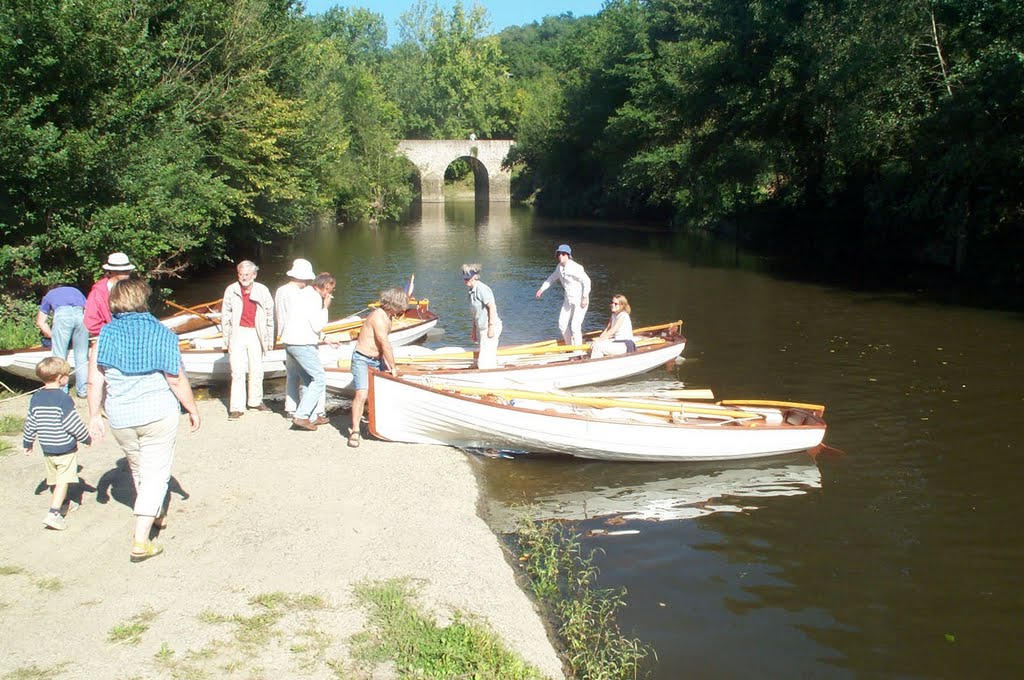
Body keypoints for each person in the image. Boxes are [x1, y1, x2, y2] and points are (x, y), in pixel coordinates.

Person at [87, 277, 201, 563]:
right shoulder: (161, 333)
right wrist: (192, 409)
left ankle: (157, 513)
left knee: (140, 468)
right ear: (143, 299)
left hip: (121, 416)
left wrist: (93, 415)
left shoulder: (104, 337)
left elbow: (93, 382)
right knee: (156, 472)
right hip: (157, 413)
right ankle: (141, 540)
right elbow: (175, 379)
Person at [22, 357, 92, 530]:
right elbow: (72, 423)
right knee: (63, 480)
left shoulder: (36, 398)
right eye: (67, 374)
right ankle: (53, 513)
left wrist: (28, 442)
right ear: (61, 377)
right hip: (64, 448)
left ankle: (63, 503)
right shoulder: (63, 399)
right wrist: (86, 438)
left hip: (47, 448)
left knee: (54, 479)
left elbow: (31, 422)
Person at [348, 287, 408, 448]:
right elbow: (384, 344)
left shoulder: (389, 317)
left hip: (376, 359)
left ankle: (376, 421)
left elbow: (382, 348)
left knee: (381, 392)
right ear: (393, 304)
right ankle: (355, 431)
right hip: (362, 358)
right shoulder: (379, 317)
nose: (403, 309)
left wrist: (386, 363)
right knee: (362, 393)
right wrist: (394, 368)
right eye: (401, 306)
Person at [276, 262, 330, 431]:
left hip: (288, 340)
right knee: (319, 378)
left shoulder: (292, 292)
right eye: (330, 289)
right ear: (324, 287)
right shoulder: (312, 297)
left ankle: (308, 415)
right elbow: (317, 325)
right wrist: (326, 308)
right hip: (302, 343)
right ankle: (302, 415)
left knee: (304, 378)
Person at [221, 260, 275, 420]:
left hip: (256, 333)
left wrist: (269, 339)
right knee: (237, 371)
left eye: (247, 274)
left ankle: (255, 401)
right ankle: (236, 407)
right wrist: (226, 339)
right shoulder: (231, 290)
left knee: (257, 369)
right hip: (238, 333)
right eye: (241, 274)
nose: (243, 277)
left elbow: (269, 315)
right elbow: (225, 315)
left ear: (254, 275)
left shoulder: (262, 290)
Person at [35, 285, 89, 398]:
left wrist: (52, 336)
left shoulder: (50, 294)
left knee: (59, 357)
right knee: (82, 356)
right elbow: (89, 310)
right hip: (82, 317)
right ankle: (83, 391)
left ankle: (61, 390)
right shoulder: (77, 291)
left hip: (63, 316)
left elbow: (41, 322)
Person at [535, 243, 591, 346]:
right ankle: (569, 347)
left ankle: (578, 353)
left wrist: (585, 297)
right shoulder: (559, 267)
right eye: (559, 254)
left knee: (575, 326)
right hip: (568, 300)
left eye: (563, 253)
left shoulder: (576, 267)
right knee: (562, 324)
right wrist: (541, 289)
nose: (561, 256)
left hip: (580, 300)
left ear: (568, 255)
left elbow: (586, 281)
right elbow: (552, 278)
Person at [84, 252, 136, 335]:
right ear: (112, 271)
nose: (127, 274)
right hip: (113, 339)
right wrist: (112, 332)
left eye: (128, 270)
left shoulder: (132, 289)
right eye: (123, 271)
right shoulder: (98, 293)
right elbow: (91, 323)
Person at [462, 263, 502, 369]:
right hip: (482, 328)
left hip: (490, 327)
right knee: (487, 356)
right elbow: (476, 313)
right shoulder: (471, 291)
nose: (466, 281)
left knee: (484, 362)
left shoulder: (482, 289)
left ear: (475, 277)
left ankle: (489, 376)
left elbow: (492, 307)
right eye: (465, 279)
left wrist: (491, 327)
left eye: (468, 279)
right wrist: (473, 330)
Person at [589, 294, 635, 359]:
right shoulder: (613, 315)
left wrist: (599, 341)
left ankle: (594, 364)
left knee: (597, 347)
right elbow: (607, 329)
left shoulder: (623, 316)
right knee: (595, 344)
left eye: (616, 304)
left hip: (624, 344)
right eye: (612, 303)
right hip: (617, 342)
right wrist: (599, 338)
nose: (612, 305)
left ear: (622, 306)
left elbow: (613, 330)